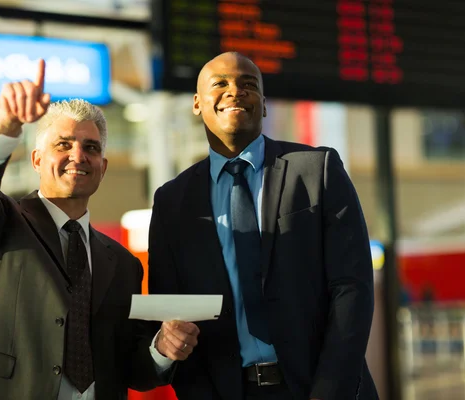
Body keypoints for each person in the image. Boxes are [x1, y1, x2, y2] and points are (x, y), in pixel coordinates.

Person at [0, 59, 198, 400]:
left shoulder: (124, 265)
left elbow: (129, 368)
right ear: (36, 160)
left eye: (90, 147)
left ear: (103, 167)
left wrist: (161, 349)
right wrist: (4, 125)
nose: (78, 155)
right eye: (63, 144)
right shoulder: (1, 223)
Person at [148, 52, 379, 400]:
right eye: (220, 84)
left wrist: (330, 390)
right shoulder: (172, 202)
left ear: (264, 104)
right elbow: (171, 311)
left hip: (323, 387)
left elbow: (353, 288)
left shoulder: (318, 170)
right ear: (197, 103)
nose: (235, 91)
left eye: (248, 85)